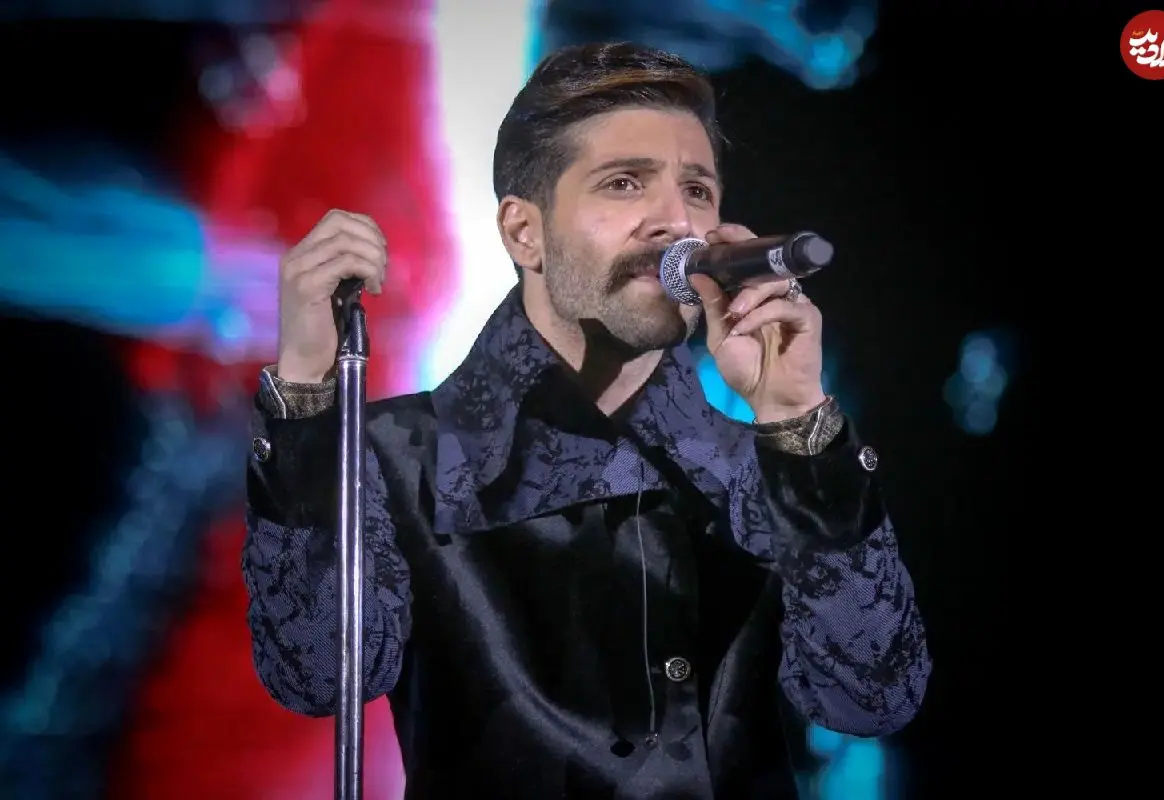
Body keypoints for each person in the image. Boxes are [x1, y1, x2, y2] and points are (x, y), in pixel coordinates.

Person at [242, 41, 931, 799]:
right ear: (524, 232)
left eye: (697, 191)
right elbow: (317, 673)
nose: (676, 222)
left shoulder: (764, 466)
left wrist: (797, 419)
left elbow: (871, 698)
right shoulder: (396, 456)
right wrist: (305, 389)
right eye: (625, 182)